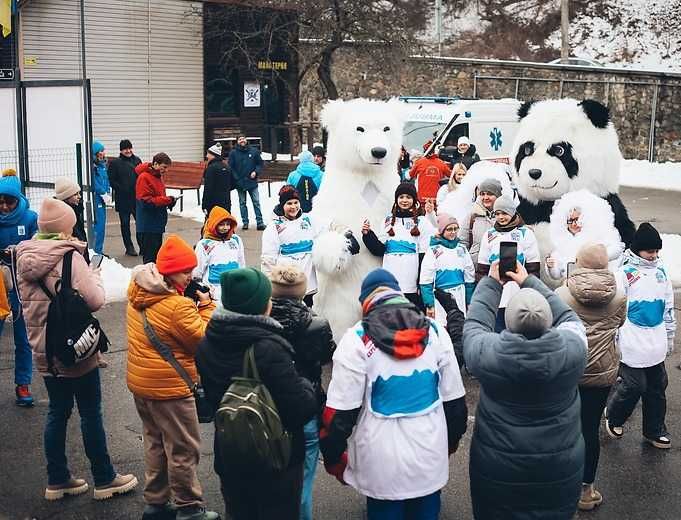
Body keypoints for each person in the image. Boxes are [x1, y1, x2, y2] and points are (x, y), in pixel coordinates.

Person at [16, 198, 138, 501]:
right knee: (90, 413)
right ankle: (105, 477)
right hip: (75, 348)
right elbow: (95, 300)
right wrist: (94, 276)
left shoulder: (24, 255)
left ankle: (57, 479)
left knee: (57, 412)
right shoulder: (69, 257)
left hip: (44, 347)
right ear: (65, 227)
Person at [320, 268, 468, 519]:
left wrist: (334, 460)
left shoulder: (355, 339)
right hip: (429, 455)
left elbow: (338, 414)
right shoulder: (435, 331)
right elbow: (455, 402)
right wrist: (449, 444)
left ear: (366, 302)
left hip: (379, 464)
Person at [463, 261, 588, 519]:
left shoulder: (488, 353)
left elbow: (474, 326)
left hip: (498, 470)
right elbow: (569, 317)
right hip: (559, 469)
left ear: (508, 320)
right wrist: (529, 281)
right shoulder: (574, 350)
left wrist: (491, 283)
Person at [196, 267, 318, 520]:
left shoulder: (208, 342)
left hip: (230, 449)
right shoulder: (268, 348)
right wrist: (306, 383)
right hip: (274, 458)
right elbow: (300, 408)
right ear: (262, 305)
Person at [126, 235, 219, 520]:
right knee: (182, 448)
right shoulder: (178, 307)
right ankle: (189, 507)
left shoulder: (137, 292)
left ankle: (156, 503)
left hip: (142, 385)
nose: (190, 276)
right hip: (171, 390)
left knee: (155, 443)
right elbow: (203, 342)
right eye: (185, 271)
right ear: (168, 272)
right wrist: (205, 307)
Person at [556, 243, 626, 511]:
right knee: (590, 429)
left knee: (565, 429)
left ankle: (563, 484)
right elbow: (619, 323)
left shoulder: (561, 294)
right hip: (601, 374)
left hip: (569, 370)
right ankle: (587, 490)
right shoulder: (619, 296)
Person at [267, 264, 335, 520]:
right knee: (303, 481)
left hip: (269, 408)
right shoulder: (315, 323)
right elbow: (328, 354)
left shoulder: (261, 320)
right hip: (306, 406)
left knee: (269, 478)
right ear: (301, 291)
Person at [605, 222, 676, 449]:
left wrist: (670, 334)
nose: (653, 255)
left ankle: (654, 431)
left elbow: (667, 306)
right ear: (637, 249)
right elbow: (614, 309)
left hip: (654, 340)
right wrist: (613, 338)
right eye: (649, 251)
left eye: (656, 251)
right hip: (631, 340)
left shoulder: (661, 272)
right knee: (634, 385)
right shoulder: (625, 273)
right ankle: (614, 416)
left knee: (658, 385)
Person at [361, 182, 435, 309]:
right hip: (390, 280)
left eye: (408, 197)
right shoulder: (388, 220)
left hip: (411, 282)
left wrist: (420, 283)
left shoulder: (422, 222)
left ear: (414, 199)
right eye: (401, 197)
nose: (404, 200)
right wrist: (368, 235)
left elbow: (425, 257)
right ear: (396, 200)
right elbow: (379, 250)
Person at [0, 168, 37, 406]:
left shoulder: (31, 218)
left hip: (23, 284)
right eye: (0, 201)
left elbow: (38, 247)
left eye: (9, 202)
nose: (4, 207)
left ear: (19, 199)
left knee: (23, 338)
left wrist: (20, 252)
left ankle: (22, 384)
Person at [476, 196, 540, 331]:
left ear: (512, 213)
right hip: (497, 295)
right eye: (497, 213)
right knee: (498, 334)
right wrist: (484, 294)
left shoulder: (525, 233)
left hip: (518, 294)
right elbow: (482, 269)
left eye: (504, 213)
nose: (500, 217)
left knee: (519, 334)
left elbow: (533, 268)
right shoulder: (489, 234)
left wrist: (531, 292)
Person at [261, 186, 325, 308]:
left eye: (296, 202)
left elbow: (328, 225)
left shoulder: (308, 219)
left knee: (307, 316)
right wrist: (269, 286)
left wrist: (345, 233)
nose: (293, 207)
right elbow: (268, 259)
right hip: (286, 286)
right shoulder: (275, 226)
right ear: (282, 205)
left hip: (308, 285)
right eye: (289, 203)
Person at [546, 191, 624, 282]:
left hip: (597, 283)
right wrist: (551, 267)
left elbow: (616, 250)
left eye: (577, 220)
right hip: (573, 287)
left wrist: (594, 257)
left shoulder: (599, 235)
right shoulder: (562, 241)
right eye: (570, 220)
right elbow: (557, 275)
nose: (574, 224)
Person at [193, 206, 245, 302]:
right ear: (214, 224)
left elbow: (241, 263)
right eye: (221, 225)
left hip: (234, 291)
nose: (225, 228)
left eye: (228, 224)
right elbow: (197, 272)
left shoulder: (236, 240)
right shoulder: (205, 244)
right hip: (214, 293)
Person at [135, 153, 176, 264]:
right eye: (164, 167)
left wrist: (169, 202)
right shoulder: (144, 177)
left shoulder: (157, 177)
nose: (166, 170)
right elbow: (146, 202)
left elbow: (157, 198)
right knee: (150, 261)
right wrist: (167, 200)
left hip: (156, 224)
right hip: (148, 225)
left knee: (156, 258)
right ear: (155, 164)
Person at [108, 139, 142, 256]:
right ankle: (129, 247)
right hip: (123, 199)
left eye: (129, 148)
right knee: (125, 224)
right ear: (121, 150)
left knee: (141, 223)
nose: (128, 151)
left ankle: (143, 245)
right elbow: (112, 180)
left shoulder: (137, 160)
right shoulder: (115, 163)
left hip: (136, 198)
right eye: (125, 149)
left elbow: (142, 176)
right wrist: (121, 188)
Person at [459, 177, 502, 267]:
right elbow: (462, 243)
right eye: (482, 194)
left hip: (500, 267)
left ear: (498, 195)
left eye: (490, 194)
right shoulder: (472, 216)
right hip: (476, 267)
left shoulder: (506, 216)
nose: (485, 197)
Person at [228, 135, 265, 231]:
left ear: (246, 140)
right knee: (242, 203)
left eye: (243, 139)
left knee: (256, 202)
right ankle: (245, 222)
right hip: (240, 183)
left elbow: (260, 163)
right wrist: (236, 178)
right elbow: (230, 168)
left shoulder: (254, 151)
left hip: (252, 182)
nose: (242, 141)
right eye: (240, 139)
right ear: (237, 141)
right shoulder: (233, 153)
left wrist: (256, 172)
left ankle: (260, 222)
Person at [91, 140, 111, 255]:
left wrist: (108, 192)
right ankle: (96, 251)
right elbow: (95, 182)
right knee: (99, 225)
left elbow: (106, 180)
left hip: (103, 197)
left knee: (102, 225)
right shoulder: (93, 167)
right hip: (97, 198)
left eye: (103, 150)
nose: (103, 153)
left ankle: (99, 250)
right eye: (101, 151)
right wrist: (102, 193)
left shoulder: (102, 165)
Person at [54, 177, 87, 245]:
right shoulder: (65, 217)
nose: (79, 196)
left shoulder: (74, 211)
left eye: (79, 193)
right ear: (66, 197)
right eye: (75, 194)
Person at [202, 142, 232, 215]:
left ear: (213, 155)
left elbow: (208, 188)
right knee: (225, 222)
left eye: (208, 154)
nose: (206, 156)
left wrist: (204, 205)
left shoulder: (211, 168)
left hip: (213, 204)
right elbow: (233, 183)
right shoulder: (226, 167)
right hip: (226, 202)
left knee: (213, 224)